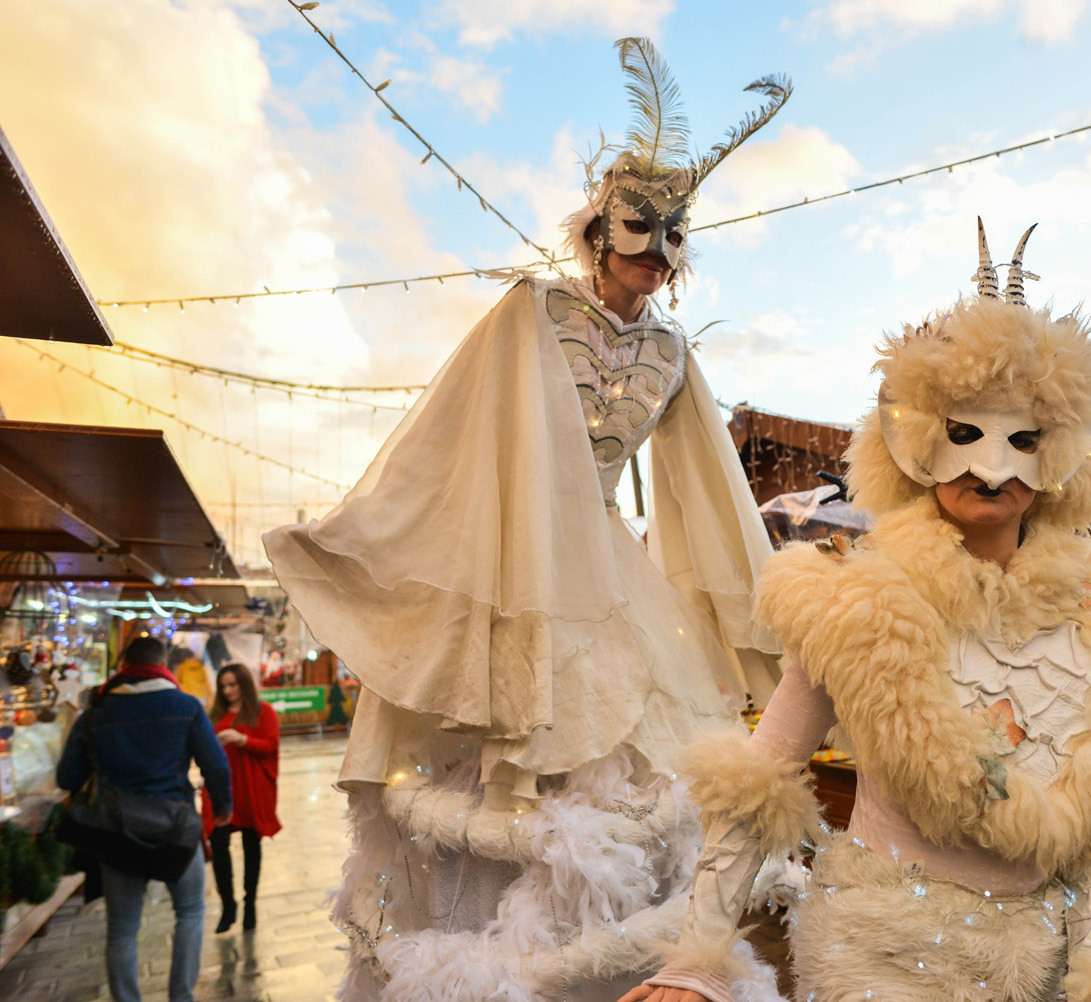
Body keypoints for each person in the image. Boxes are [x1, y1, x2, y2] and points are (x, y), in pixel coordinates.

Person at [262, 38, 791, 1002]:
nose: (656, 248)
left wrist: (761, 608)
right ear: (598, 230)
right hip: (515, 562)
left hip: (615, 577)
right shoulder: (534, 311)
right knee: (502, 758)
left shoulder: (675, 354)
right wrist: (369, 539)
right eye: (638, 225)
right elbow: (454, 437)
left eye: (674, 232)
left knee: (631, 777)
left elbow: (706, 488)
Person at [623, 220, 1091, 1002]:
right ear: (918, 440)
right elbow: (758, 785)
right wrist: (697, 961)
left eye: (1024, 439)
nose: (991, 467)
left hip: (1037, 967)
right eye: (964, 432)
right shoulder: (855, 604)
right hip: (880, 958)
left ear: (1063, 452)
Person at [56, 635, 231, 1002]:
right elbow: (216, 765)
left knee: (122, 929)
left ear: (124, 667)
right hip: (176, 830)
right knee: (190, 912)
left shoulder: (95, 714)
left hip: (117, 834)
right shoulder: (186, 706)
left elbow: (66, 777)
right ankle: (181, 996)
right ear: (163, 666)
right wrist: (223, 807)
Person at [204, 661, 281, 933]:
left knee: (251, 845)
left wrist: (241, 740)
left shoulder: (262, 712)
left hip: (250, 788)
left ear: (244, 685)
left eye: (232, 685)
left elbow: (271, 746)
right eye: (223, 686)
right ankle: (228, 905)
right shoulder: (214, 714)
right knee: (218, 844)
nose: (227, 690)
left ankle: (250, 904)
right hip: (221, 790)